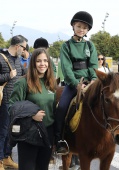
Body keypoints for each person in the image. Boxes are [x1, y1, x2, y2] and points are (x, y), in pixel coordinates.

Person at [55, 11, 98, 155]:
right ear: (73, 26)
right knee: (61, 108)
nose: (81, 29)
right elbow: (66, 68)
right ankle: (59, 140)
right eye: (79, 26)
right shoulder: (66, 46)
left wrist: (93, 80)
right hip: (73, 84)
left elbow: (93, 65)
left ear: (87, 30)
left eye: (85, 28)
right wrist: (75, 83)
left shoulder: (90, 45)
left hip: (89, 83)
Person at [9, 48, 56, 170]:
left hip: (48, 132)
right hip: (29, 133)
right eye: (38, 61)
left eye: (45, 61)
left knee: (42, 167)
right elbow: (11, 107)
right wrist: (31, 116)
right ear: (33, 62)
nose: (42, 64)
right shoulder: (23, 82)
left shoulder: (50, 82)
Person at [0, 35, 27, 170]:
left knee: (12, 132)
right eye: (24, 48)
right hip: (3, 101)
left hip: (15, 102)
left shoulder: (18, 60)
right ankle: (0, 161)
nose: (24, 51)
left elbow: (24, 72)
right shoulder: (1, 58)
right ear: (18, 46)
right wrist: (7, 76)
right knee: (3, 131)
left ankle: (6, 157)